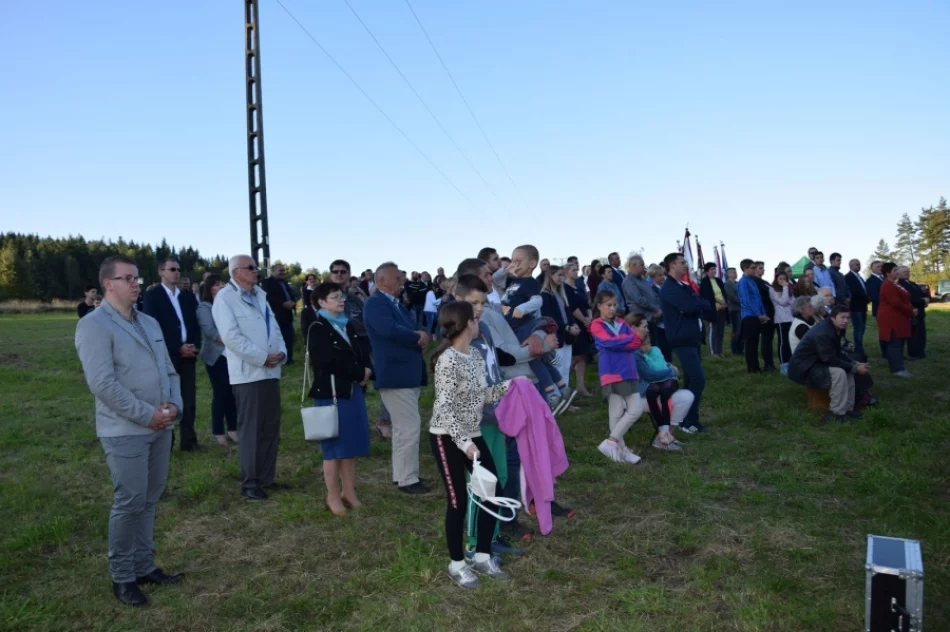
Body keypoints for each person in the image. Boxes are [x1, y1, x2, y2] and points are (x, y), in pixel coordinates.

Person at [74, 255, 184, 606]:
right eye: (127, 279)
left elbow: (169, 370)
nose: (136, 284)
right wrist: (147, 414)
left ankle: (144, 566)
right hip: (125, 430)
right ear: (108, 284)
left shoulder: (149, 322)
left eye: (137, 278)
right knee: (130, 501)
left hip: (161, 424)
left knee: (149, 499)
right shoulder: (94, 326)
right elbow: (103, 384)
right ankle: (122, 577)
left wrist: (174, 407)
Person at [429, 300, 517, 589]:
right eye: (476, 318)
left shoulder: (476, 357)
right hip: (447, 435)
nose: (479, 321)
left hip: (472, 432)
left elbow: (484, 395)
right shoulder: (447, 360)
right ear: (468, 324)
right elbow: (444, 410)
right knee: (458, 502)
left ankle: (482, 555)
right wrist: (465, 443)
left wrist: (512, 385)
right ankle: (457, 564)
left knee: (492, 491)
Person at [213, 255, 288, 500]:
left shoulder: (260, 295)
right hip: (249, 374)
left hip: (270, 371)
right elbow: (232, 338)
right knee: (252, 430)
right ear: (236, 273)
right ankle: (250, 483)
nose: (256, 271)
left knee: (270, 427)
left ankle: (267, 477)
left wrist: (282, 353)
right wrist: (261, 357)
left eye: (256, 267)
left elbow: (274, 327)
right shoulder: (224, 299)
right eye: (251, 268)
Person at [363, 262, 431, 494]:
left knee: (404, 428)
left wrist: (422, 332)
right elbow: (389, 330)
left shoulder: (396, 303)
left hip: (405, 373)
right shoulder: (375, 303)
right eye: (397, 277)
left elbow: (414, 325)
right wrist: (417, 337)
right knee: (409, 426)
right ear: (382, 280)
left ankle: (403, 474)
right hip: (396, 373)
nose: (401, 280)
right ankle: (407, 479)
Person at [305, 282, 373, 516]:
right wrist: (359, 372)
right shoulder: (317, 326)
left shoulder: (349, 324)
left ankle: (349, 492)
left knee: (351, 445)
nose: (341, 300)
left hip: (352, 392)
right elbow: (326, 362)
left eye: (341, 296)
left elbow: (363, 351)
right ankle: (332, 495)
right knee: (333, 449)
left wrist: (367, 368)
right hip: (331, 395)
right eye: (335, 297)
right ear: (322, 302)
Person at [143, 258, 201, 451]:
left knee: (189, 400)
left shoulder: (187, 297)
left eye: (178, 269)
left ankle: (189, 441)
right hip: (167, 356)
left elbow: (194, 324)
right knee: (167, 400)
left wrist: (194, 346)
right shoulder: (153, 296)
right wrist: (177, 348)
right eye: (172, 269)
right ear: (161, 272)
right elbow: (152, 328)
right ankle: (167, 443)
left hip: (189, 356)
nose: (177, 272)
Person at [589, 290, 645, 463]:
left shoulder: (621, 322)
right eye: (608, 305)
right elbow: (606, 343)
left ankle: (615, 446)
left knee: (627, 410)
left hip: (629, 370)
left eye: (614, 305)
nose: (613, 309)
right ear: (599, 306)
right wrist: (625, 340)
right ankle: (615, 445)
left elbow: (636, 342)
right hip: (612, 372)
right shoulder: (596, 325)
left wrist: (620, 341)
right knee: (622, 411)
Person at [788, 306, 869, 423]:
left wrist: (855, 364)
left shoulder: (835, 328)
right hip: (805, 368)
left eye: (847, 318)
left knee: (849, 371)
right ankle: (836, 413)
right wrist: (855, 368)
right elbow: (829, 359)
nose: (846, 320)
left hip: (817, 362)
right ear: (832, 318)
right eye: (842, 317)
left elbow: (837, 353)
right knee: (839, 372)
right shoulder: (823, 332)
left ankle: (847, 409)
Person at [659, 253, 710, 433]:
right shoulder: (670, 288)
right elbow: (690, 306)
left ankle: (681, 418)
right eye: (682, 263)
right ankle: (689, 421)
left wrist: (696, 304)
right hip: (682, 339)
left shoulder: (683, 286)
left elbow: (703, 303)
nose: (685, 266)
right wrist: (696, 305)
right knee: (698, 379)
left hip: (692, 337)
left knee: (690, 379)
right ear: (672, 266)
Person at [196, 274, 238, 446]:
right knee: (220, 394)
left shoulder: (228, 305)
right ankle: (218, 432)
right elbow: (211, 332)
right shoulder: (204, 307)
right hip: (216, 356)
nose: (221, 286)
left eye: (222, 283)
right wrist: (234, 341)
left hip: (232, 355)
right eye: (216, 284)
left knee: (232, 394)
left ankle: (233, 430)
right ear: (209, 288)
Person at [634, 332, 693, 450]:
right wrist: (671, 371)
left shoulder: (654, 350)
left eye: (648, 343)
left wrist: (669, 366)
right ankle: (663, 436)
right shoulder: (636, 355)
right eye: (644, 326)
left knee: (685, 396)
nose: (646, 347)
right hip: (643, 394)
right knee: (663, 395)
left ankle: (667, 434)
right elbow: (650, 375)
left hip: (659, 388)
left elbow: (661, 363)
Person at [540, 266, 580, 383]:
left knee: (566, 367)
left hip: (566, 338)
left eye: (562, 275)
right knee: (557, 367)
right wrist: (567, 327)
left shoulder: (560, 294)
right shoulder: (545, 295)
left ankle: (566, 394)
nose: (561, 278)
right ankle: (557, 396)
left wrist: (574, 324)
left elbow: (567, 312)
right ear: (550, 276)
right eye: (559, 275)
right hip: (555, 339)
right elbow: (549, 317)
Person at [877, 262, 914, 377]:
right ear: (888, 273)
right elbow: (896, 302)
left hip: (898, 317)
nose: (898, 272)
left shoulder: (895, 284)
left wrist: (910, 308)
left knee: (899, 342)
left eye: (897, 269)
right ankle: (897, 369)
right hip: (891, 318)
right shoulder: (887, 285)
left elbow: (903, 300)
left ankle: (899, 365)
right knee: (894, 343)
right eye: (894, 270)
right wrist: (911, 311)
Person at [563, 262, 593, 397]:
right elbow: (572, 307)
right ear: (567, 272)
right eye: (573, 270)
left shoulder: (580, 287)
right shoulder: (565, 288)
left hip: (585, 324)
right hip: (575, 324)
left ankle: (580, 386)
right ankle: (563, 384)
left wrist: (590, 318)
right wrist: (584, 320)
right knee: (574, 357)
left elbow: (587, 305)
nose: (576, 272)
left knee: (583, 356)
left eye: (577, 270)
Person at [262, 263, 297, 365]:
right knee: (278, 337)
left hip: (287, 314)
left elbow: (290, 294)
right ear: (273, 271)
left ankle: (289, 358)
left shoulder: (284, 283)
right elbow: (269, 297)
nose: (283, 272)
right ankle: (278, 358)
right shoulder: (267, 282)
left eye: (283, 270)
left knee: (289, 337)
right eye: (280, 270)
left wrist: (293, 303)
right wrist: (282, 304)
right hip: (276, 314)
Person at [738, 259, 767, 374]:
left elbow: (758, 299)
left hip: (756, 315)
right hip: (749, 316)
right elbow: (747, 300)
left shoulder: (752, 281)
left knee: (755, 343)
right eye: (753, 268)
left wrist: (763, 313)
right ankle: (752, 369)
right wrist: (758, 314)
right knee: (750, 344)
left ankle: (756, 367)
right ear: (745, 269)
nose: (755, 270)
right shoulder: (743, 282)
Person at [898, 266, 928, 359]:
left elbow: (922, 294)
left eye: (907, 271)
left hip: (920, 312)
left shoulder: (913, 283)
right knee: (914, 334)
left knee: (921, 333)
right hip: (911, 312)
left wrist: (926, 298)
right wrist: (923, 301)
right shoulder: (900, 285)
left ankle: (920, 351)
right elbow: (909, 300)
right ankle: (914, 353)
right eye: (904, 272)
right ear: (898, 274)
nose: (907, 273)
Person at [698, 262, 727, 357]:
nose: (714, 271)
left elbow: (723, 293)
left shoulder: (718, 280)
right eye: (711, 269)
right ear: (706, 271)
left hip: (722, 308)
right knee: (714, 330)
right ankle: (714, 351)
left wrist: (724, 302)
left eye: (714, 269)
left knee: (721, 331)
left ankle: (720, 350)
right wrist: (719, 301)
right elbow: (707, 295)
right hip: (713, 309)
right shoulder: (705, 281)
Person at [844, 259, 870, 360]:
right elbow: (854, 291)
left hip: (862, 306)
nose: (859, 266)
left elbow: (864, 289)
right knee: (858, 329)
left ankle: (859, 347)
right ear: (850, 266)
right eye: (857, 264)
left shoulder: (859, 276)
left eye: (859, 264)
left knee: (862, 328)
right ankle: (858, 350)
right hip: (856, 307)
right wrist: (865, 297)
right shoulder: (848, 277)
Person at [754, 261, 777, 372]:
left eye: (763, 268)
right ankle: (768, 364)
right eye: (760, 268)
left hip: (771, 312)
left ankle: (770, 362)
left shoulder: (764, 282)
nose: (763, 270)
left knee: (769, 339)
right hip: (764, 312)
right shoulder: (755, 282)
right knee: (766, 339)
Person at [647, 264, 673, 361]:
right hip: (659, 322)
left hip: (667, 321)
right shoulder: (651, 289)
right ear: (653, 276)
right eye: (660, 275)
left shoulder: (662, 287)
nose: (663, 277)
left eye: (663, 274)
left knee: (668, 347)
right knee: (662, 347)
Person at [769, 271, 794, 370]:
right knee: (783, 342)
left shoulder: (788, 289)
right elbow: (783, 302)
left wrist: (786, 290)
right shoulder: (772, 290)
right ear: (776, 280)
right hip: (781, 320)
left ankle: (791, 361)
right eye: (780, 279)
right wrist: (785, 288)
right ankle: (784, 363)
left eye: (785, 279)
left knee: (790, 340)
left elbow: (792, 302)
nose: (783, 281)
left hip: (791, 318)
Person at [865, 260, 886, 359]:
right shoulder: (871, 281)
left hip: (888, 309)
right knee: (884, 331)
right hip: (880, 310)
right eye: (878, 267)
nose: (881, 269)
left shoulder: (884, 279)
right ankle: (885, 352)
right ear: (872, 269)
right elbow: (874, 296)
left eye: (882, 267)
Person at [723, 268, 742, 355]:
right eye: (734, 272)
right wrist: (742, 301)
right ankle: (735, 349)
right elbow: (731, 297)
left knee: (741, 329)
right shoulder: (727, 284)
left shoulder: (737, 283)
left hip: (740, 309)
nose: (735, 274)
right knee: (736, 330)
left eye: (736, 272)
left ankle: (740, 348)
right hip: (734, 309)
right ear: (728, 274)